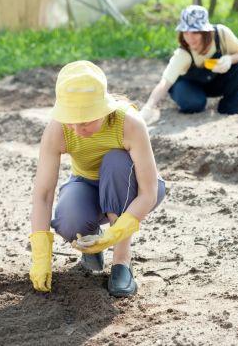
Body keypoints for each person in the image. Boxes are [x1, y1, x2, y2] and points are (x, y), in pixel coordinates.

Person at [29, 60, 165, 297]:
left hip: (132, 186)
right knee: (69, 221)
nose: (77, 129)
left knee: (114, 161)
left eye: (86, 121)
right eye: (71, 120)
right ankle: (91, 244)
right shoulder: (57, 129)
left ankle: (122, 263)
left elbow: (149, 191)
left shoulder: (128, 123)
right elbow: (43, 194)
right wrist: (40, 257)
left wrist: (116, 234)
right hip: (87, 185)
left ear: (104, 109)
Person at [140, 5, 238, 124]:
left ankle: (228, 108)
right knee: (193, 103)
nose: (190, 38)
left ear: (206, 32)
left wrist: (230, 59)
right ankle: (194, 101)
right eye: (185, 33)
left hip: (216, 81)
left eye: (195, 32)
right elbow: (165, 82)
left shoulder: (221, 34)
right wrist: (148, 107)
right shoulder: (183, 54)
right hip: (188, 86)